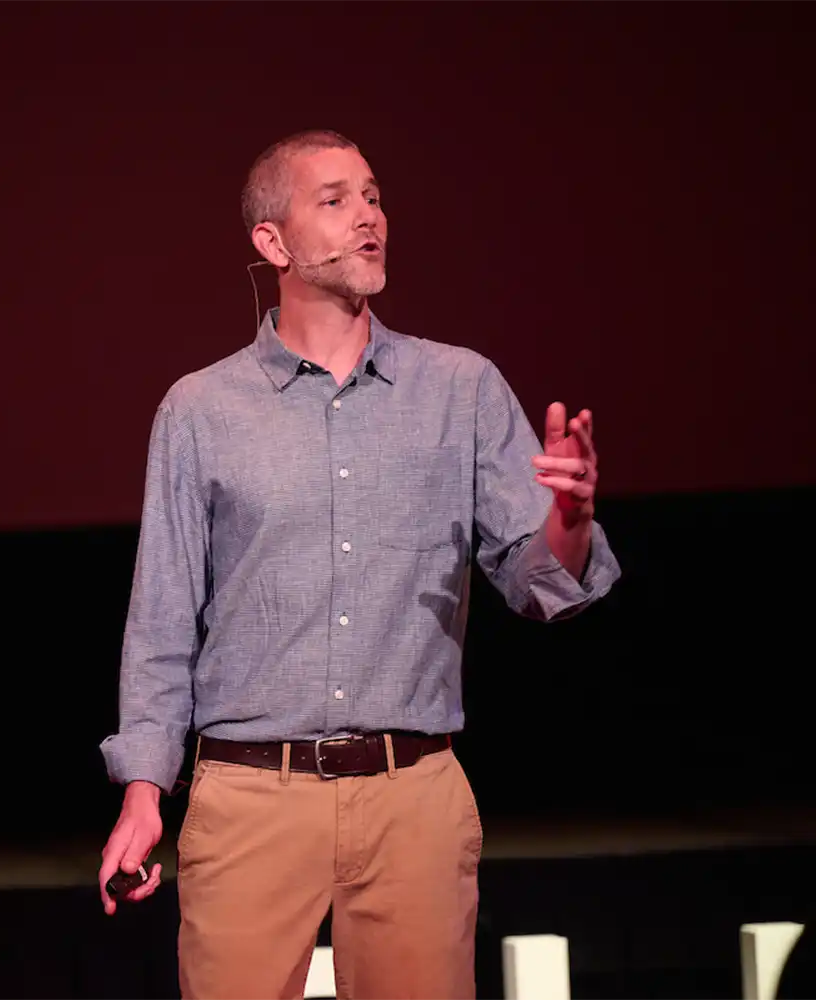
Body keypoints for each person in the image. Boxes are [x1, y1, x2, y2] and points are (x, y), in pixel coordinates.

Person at [98, 129, 621, 1000]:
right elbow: (162, 617)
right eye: (334, 201)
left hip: (411, 794)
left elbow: (543, 584)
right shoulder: (201, 410)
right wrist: (143, 793)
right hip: (251, 797)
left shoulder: (460, 388)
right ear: (273, 243)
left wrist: (572, 516)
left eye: (373, 197)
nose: (368, 218)